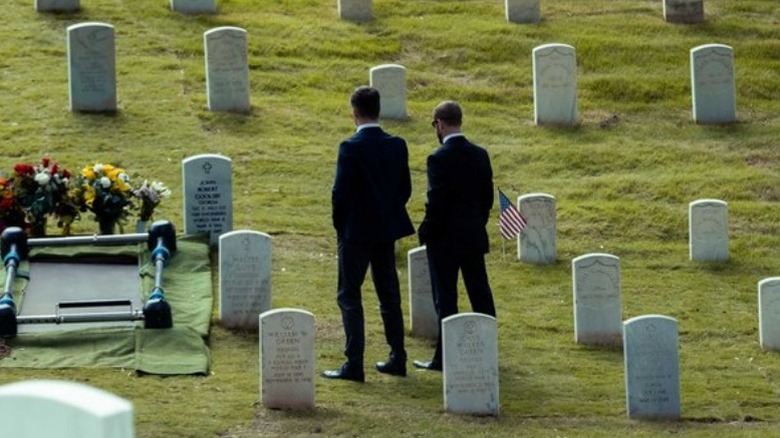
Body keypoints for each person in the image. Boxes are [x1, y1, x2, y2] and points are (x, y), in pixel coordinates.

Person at [323, 86, 415, 382]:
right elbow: (405, 190)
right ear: (378, 110)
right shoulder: (397, 144)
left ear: (355, 113)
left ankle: (354, 363)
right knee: (389, 294)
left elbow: (340, 193)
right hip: (385, 229)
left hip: (355, 231)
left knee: (349, 295)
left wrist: (341, 225)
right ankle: (397, 357)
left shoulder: (350, 148)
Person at [414, 100, 496, 371]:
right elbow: (486, 198)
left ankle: (444, 357)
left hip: (445, 240)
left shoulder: (438, 158)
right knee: (480, 293)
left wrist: (426, 230)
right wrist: (476, 223)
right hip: (473, 235)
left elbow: (436, 201)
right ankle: (488, 348)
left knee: (446, 297)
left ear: (440, 123)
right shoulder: (480, 154)